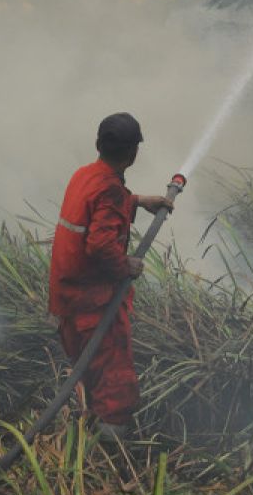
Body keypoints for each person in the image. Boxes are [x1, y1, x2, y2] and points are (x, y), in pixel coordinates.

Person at [48, 112, 172, 436]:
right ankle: (109, 455)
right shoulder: (111, 191)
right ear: (133, 154)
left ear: (97, 144)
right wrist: (125, 265)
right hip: (93, 302)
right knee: (115, 383)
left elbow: (98, 206)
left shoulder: (84, 175)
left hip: (67, 295)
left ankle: (88, 428)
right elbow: (101, 245)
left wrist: (139, 201)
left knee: (89, 370)